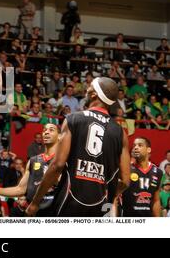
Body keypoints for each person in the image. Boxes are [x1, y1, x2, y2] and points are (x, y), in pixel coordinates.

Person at [27, 77, 131, 217]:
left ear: (94, 94)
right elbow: (125, 180)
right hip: (101, 207)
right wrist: (109, 196)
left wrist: (35, 202)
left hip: (69, 201)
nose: (86, 90)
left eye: (89, 87)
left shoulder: (73, 119)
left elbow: (57, 165)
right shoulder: (120, 132)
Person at [0, 124, 59, 216]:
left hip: (57, 213)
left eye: (51, 130)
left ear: (60, 136)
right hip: (34, 213)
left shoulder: (65, 160)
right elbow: (20, 189)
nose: (46, 132)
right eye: (44, 130)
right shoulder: (33, 160)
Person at [120, 137, 163, 217]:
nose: (135, 147)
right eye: (134, 145)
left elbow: (156, 200)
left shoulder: (158, 172)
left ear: (148, 150)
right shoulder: (126, 169)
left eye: (140, 145)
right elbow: (116, 196)